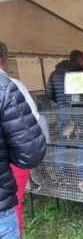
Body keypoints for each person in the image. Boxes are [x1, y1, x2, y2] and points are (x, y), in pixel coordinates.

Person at [0, 41, 46, 238]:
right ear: (5, 61)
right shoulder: (10, 86)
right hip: (9, 168)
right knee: (15, 201)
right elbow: (30, 146)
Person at [46, 50, 83, 179]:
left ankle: (59, 173)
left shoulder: (54, 74)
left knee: (62, 143)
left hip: (62, 113)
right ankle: (80, 175)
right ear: (79, 60)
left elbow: (49, 94)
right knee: (81, 143)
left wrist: (60, 101)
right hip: (80, 115)